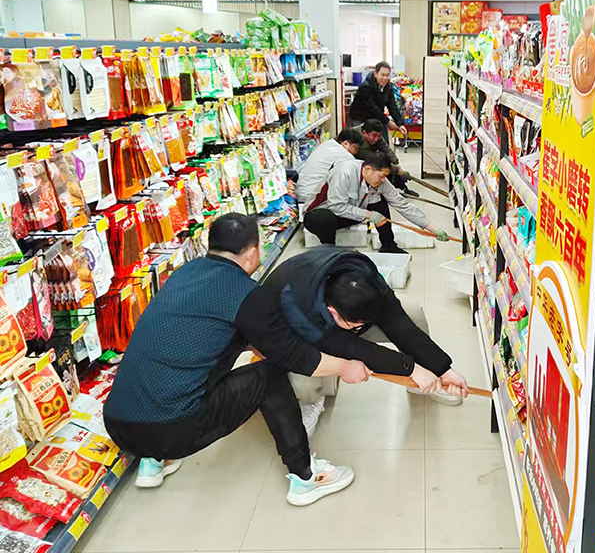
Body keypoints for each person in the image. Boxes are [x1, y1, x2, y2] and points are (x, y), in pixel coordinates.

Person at [103, 213, 371, 506]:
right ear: (252, 253)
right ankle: (306, 476)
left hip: (119, 425)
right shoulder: (245, 293)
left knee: (181, 365)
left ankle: (153, 461)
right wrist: (345, 366)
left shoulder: (183, 273)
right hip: (172, 428)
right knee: (268, 375)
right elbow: (290, 355)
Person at [264, 245, 470, 406]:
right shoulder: (295, 304)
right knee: (305, 385)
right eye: (356, 327)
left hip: (329, 310)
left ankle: (424, 383)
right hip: (293, 331)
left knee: (412, 312)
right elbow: (350, 346)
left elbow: (396, 319)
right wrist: (411, 369)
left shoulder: (363, 271)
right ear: (332, 312)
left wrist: (441, 368)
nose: (361, 330)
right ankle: (309, 404)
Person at [303, 151, 449, 254]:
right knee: (324, 219)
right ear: (368, 169)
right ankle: (329, 252)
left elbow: (402, 204)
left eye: (386, 176)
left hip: (349, 214)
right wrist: (369, 215)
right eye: (382, 176)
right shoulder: (344, 172)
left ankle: (388, 245)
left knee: (380, 202)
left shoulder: (379, 180)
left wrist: (432, 228)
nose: (383, 180)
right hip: (318, 215)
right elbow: (336, 206)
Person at [296, 128, 363, 208]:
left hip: (302, 192)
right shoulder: (344, 155)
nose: (356, 152)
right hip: (311, 197)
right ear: (345, 144)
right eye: (355, 148)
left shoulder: (326, 145)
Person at [357, 118, 419, 198]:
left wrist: (396, 162)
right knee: (383, 170)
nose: (376, 139)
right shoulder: (357, 140)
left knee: (389, 163)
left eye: (379, 136)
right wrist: (397, 170)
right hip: (357, 164)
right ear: (364, 133)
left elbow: (385, 148)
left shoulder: (375, 134)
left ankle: (402, 188)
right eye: (374, 136)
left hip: (368, 157)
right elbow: (373, 160)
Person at [349, 61, 407, 140]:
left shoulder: (388, 86)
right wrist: (387, 122)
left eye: (387, 75)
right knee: (362, 142)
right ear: (375, 74)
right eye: (382, 75)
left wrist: (400, 124)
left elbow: (392, 105)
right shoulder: (366, 87)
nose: (385, 78)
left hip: (377, 118)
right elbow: (373, 108)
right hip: (361, 119)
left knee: (383, 142)